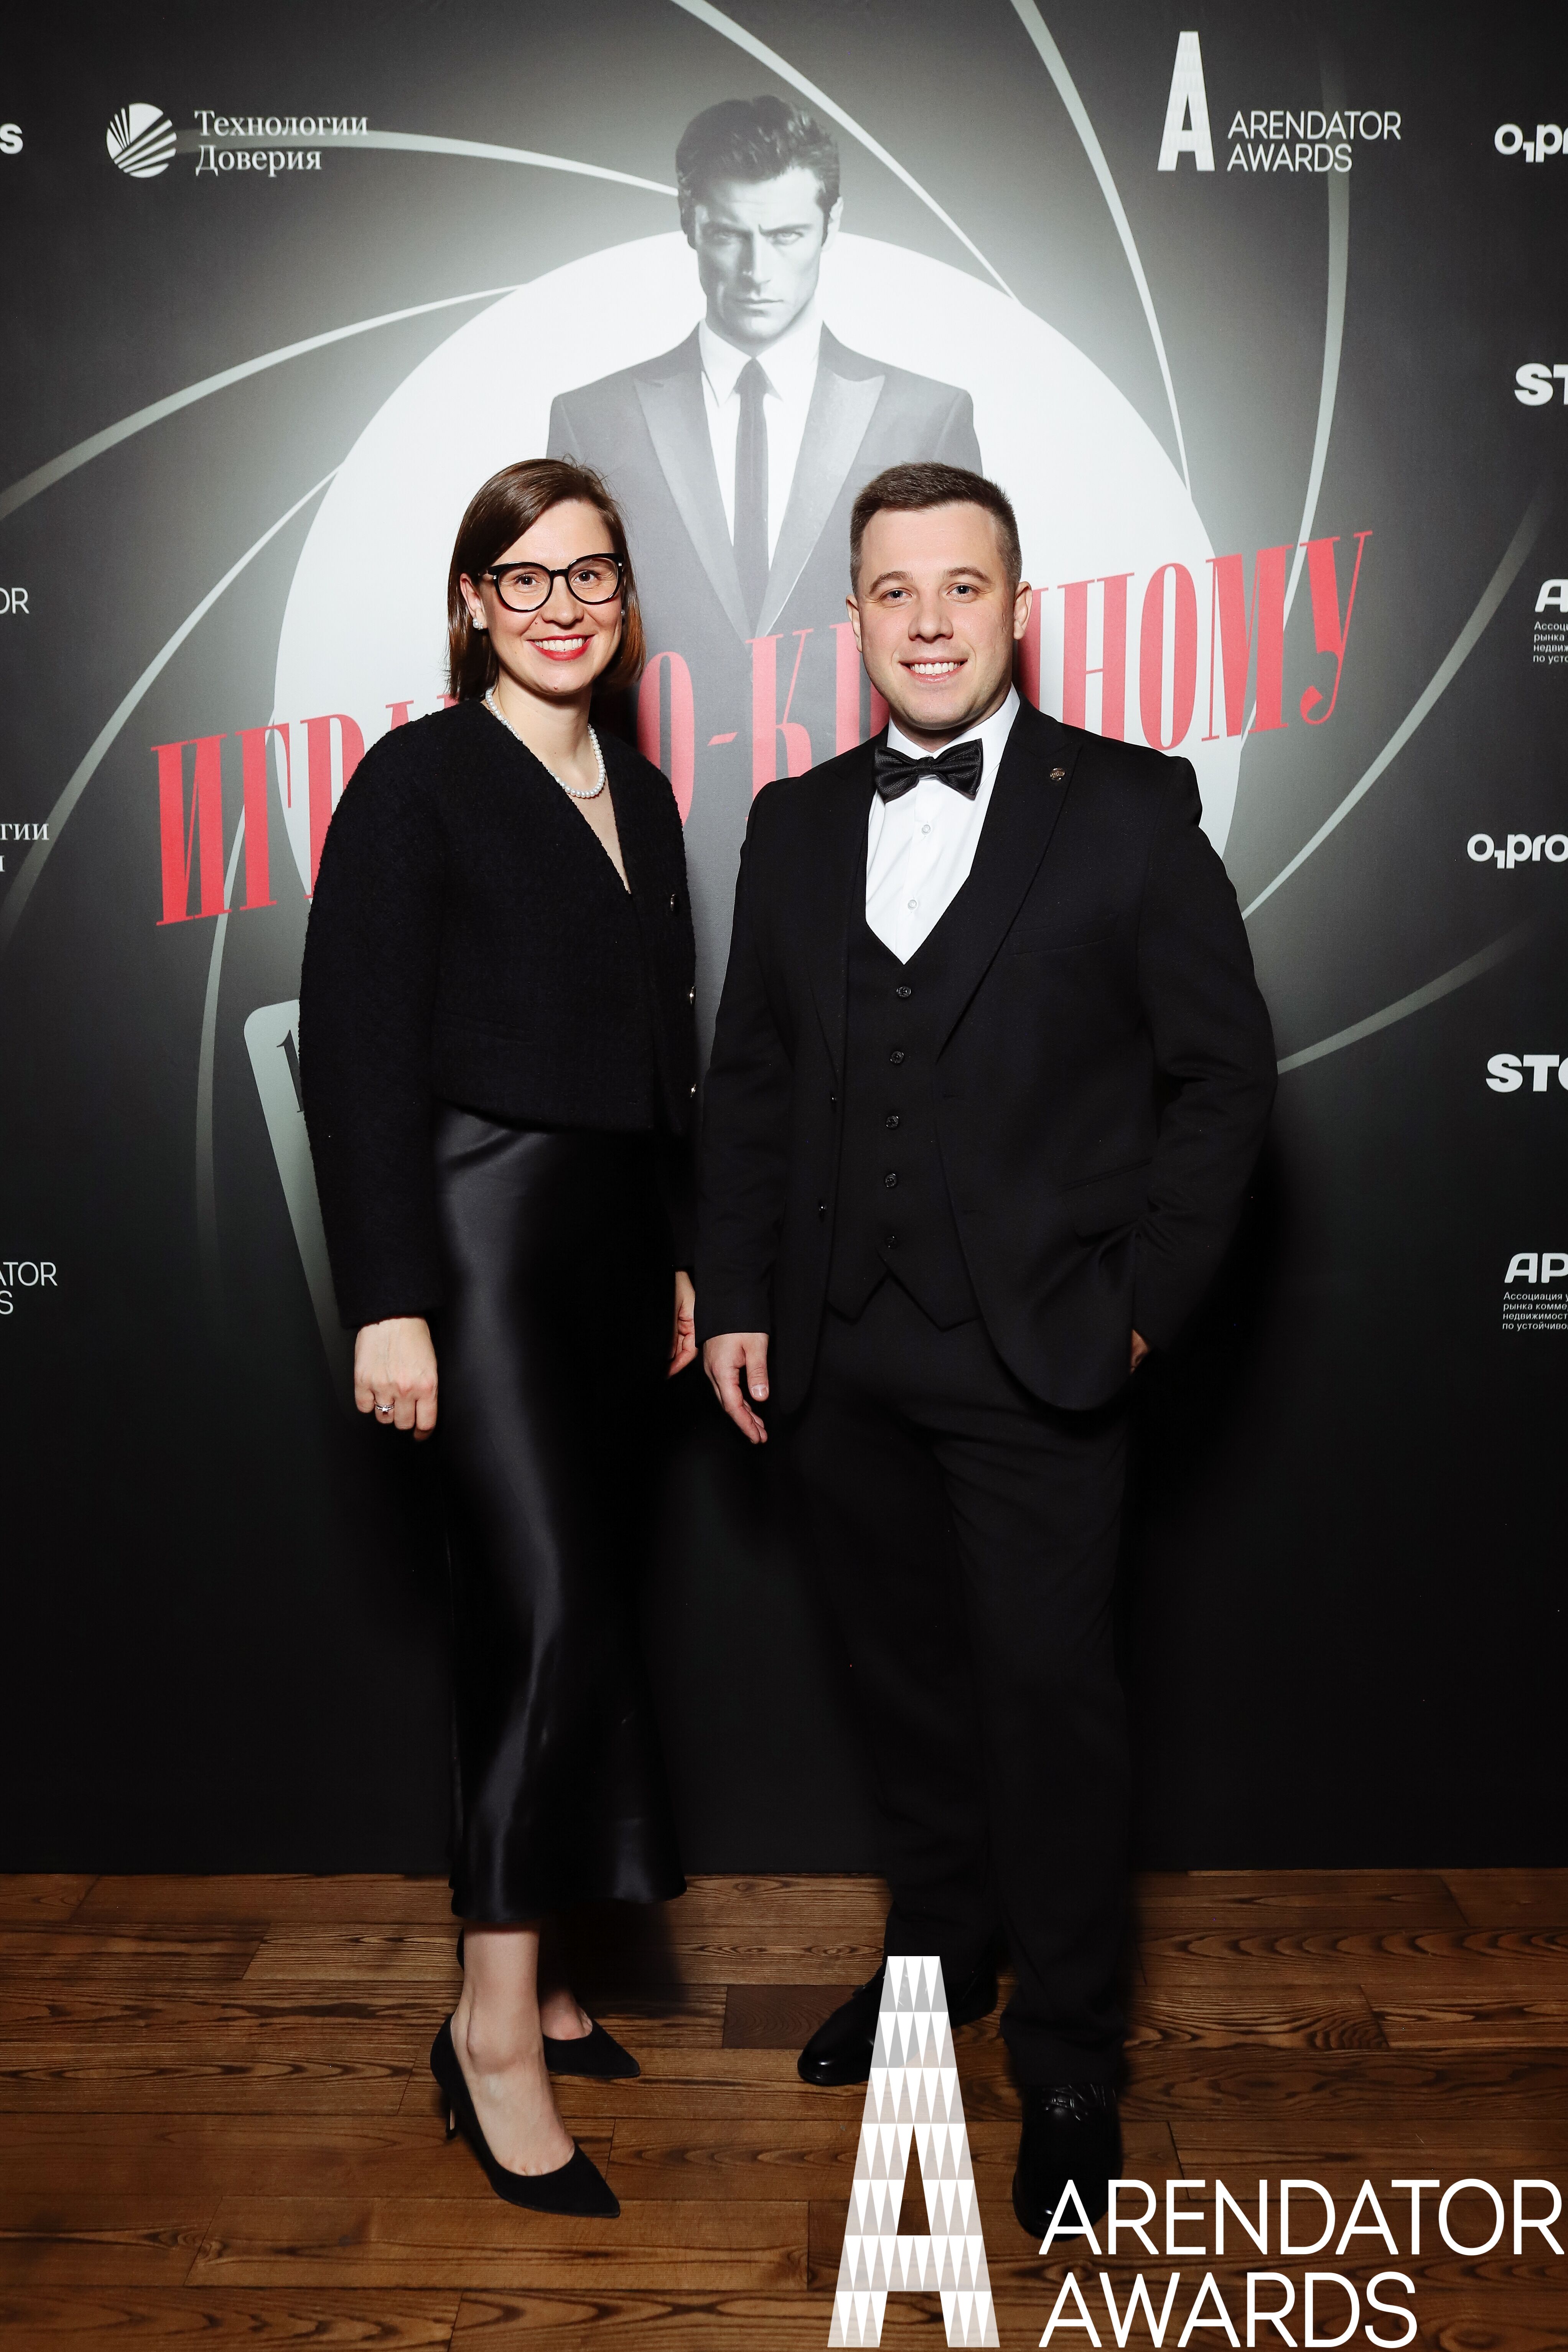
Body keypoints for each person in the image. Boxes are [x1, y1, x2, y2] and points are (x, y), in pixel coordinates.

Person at [696, 461, 1276, 2233]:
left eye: (963, 586)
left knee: (1049, 1701)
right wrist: (736, 1297)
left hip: (1040, 1355)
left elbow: (1222, 1081)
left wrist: (1139, 1301)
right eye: (894, 590)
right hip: (834, 1353)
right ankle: (939, 1956)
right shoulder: (793, 822)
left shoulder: (1130, 808)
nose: (929, 620)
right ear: (853, 619)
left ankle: (1073, 2054)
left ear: (1020, 610)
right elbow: (752, 1085)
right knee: (902, 1685)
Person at [299, 459, 698, 2219]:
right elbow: (356, 1052)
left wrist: (679, 1258)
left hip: (611, 1249)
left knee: (573, 1607)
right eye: (522, 578)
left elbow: (662, 1055)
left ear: (622, 596)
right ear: (472, 603)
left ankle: (541, 1980)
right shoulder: (416, 783)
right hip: (471, 1238)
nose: (560, 606)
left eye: (588, 574)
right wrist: (387, 1293)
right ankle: (490, 2032)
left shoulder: (647, 793)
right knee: (540, 1613)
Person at [548, 96, 982, 1056]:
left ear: (832, 225)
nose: (756, 270)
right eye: (728, 235)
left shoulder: (927, 414)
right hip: (658, 847)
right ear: (688, 224)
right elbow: (568, 652)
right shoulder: (591, 418)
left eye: (785, 236)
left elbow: (961, 651)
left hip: (874, 838)